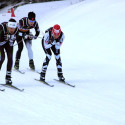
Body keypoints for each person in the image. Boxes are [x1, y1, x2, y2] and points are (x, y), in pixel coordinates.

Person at [0, 18, 19, 85]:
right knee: (1, 58)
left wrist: (27, 36)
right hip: (0, 44)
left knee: (10, 58)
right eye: (10, 28)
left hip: (8, 43)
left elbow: (12, 42)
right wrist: (4, 39)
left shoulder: (16, 30)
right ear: (8, 26)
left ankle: (8, 77)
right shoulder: (1, 27)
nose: (12, 30)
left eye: (13, 28)